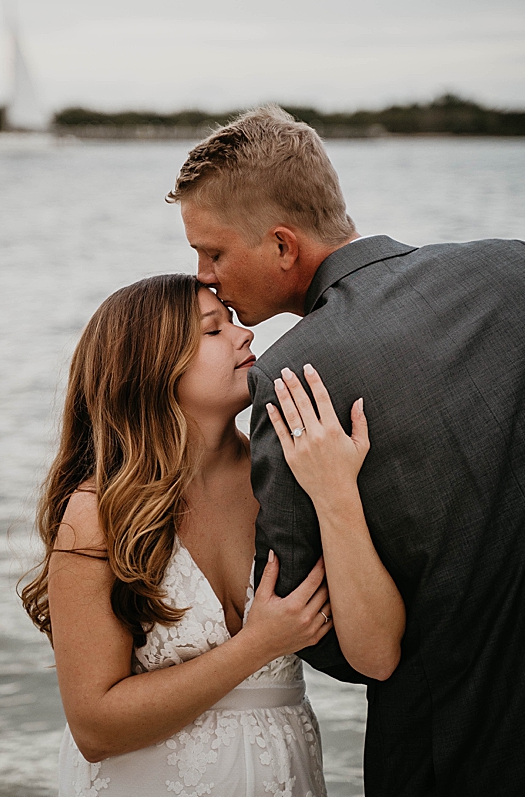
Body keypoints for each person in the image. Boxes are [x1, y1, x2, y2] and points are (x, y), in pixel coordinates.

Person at [169, 105, 525, 795]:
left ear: (281, 246)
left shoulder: (295, 377)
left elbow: (325, 632)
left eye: (213, 252)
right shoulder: (511, 267)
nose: (206, 277)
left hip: (446, 745)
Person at [21, 273, 404, 795]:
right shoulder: (101, 513)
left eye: (233, 322)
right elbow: (95, 726)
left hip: (284, 774)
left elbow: (380, 653)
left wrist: (337, 489)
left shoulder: (291, 475)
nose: (244, 334)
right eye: (212, 330)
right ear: (152, 365)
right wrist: (259, 644)